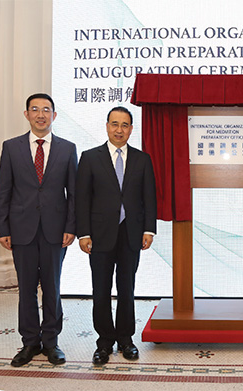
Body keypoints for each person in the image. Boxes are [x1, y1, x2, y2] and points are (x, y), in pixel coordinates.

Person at [0, 93, 77, 367]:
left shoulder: (67, 149)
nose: (41, 115)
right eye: (35, 110)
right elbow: (3, 190)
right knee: (27, 288)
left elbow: (74, 194)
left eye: (46, 110)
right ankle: (30, 342)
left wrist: (71, 227)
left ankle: (51, 342)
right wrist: (1, 227)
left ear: (54, 115)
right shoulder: (11, 147)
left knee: (52, 288)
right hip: (21, 230)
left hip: (56, 230)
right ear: (26, 114)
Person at [76, 106, 156, 365]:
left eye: (125, 125)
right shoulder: (89, 157)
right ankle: (104, 343)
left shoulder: (142, 159)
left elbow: (149, 198)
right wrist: (83, 233)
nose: (119, 130)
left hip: (131, 233)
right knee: (100, 290)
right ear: (107, 126)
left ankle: (125, 339)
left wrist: (148, 229)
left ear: (131, 129)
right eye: (115, 124)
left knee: (127, 289)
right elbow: (82, 199)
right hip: (99, 235)